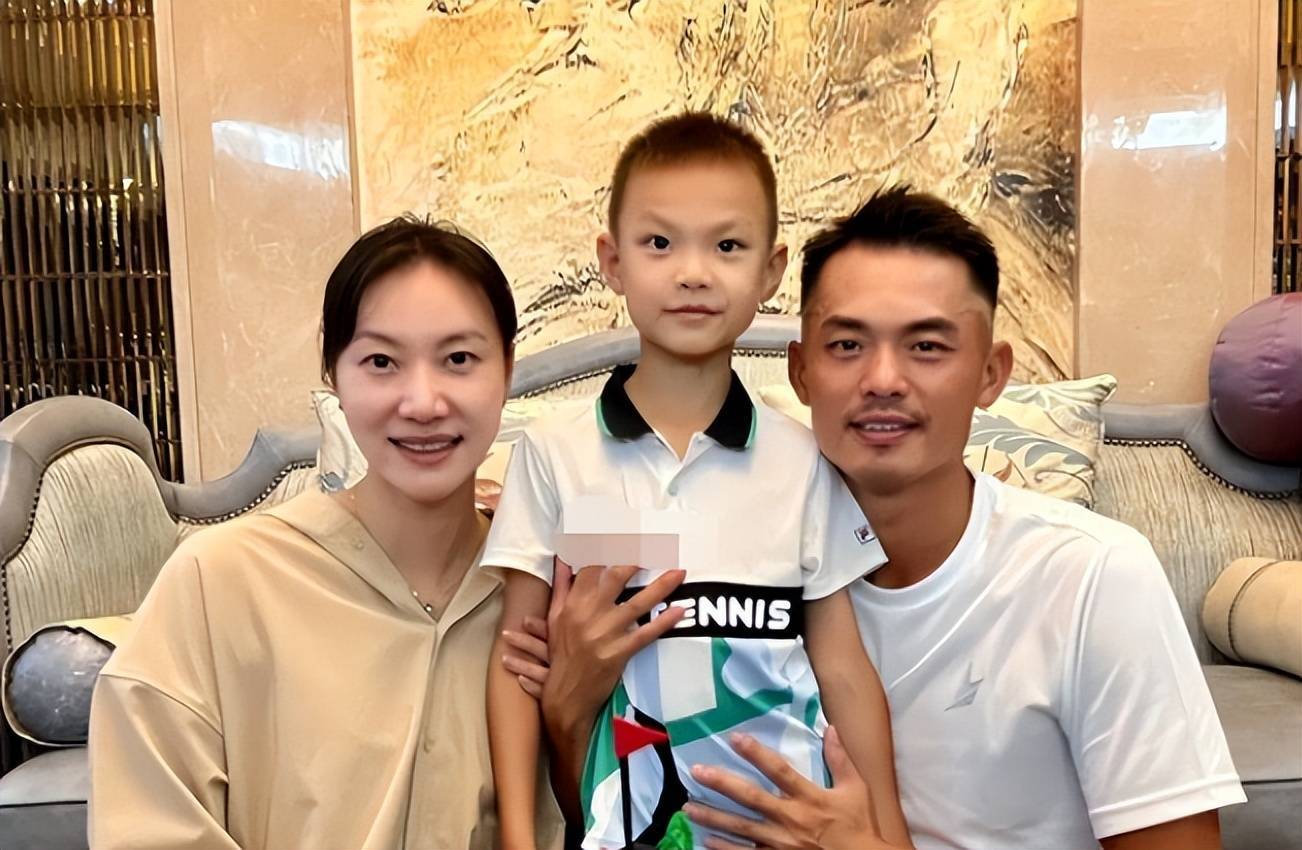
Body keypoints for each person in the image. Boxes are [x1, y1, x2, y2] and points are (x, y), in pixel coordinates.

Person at [512, 187, 1246, 850]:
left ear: (991, 373)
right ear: (801, 371)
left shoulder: (1092, 577)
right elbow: (627, 814)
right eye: (847, 345)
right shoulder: (710, 571)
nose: (884, 380)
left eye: (927, 347)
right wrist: (569, 710)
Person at [483, 113, 911, 850]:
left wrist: (885, 836)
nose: (693, 272)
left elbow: (844, 671)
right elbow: (517, 667)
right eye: (659, 243)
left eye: (727, 246)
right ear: (612, 262)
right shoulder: (555, 454)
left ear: (771, 271)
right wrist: (519, 840)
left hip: (788, 830)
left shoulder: (806, 459)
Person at [87, 217, 563, 849]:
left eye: (458, 359)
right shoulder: (222, 582)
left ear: (506, 368)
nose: (423, 403)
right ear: (333, 373)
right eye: (381, 362)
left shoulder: (546, 587)